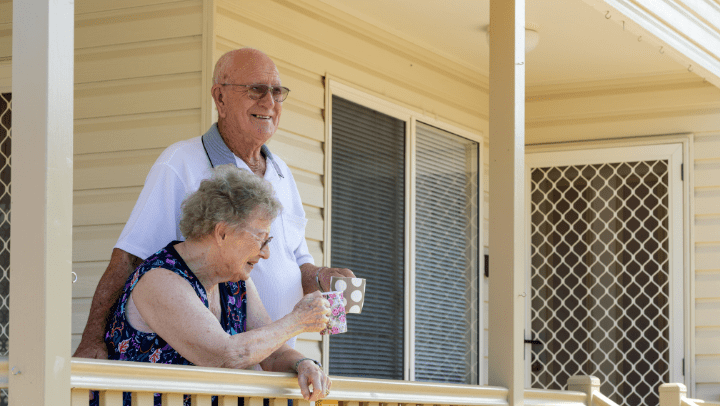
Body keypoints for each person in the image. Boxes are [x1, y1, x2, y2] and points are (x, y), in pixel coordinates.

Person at [74, 48, 355, 360]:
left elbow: (295, 261)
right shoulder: (180, 162)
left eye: (277, 92)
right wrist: (91, 340)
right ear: (220, 99)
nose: (269, 102)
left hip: (274, 362)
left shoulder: (282, 173)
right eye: (256, 90)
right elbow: (129, 258)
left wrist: (320, 278)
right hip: (216, 362)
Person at [98, 166, 331, 405]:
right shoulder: (160, 278)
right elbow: (224, 356)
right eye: (262, 239)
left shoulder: (235, 282)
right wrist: (297, 321)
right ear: (222, 233)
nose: (266, 253)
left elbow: (274, 352)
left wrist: (304, 364)